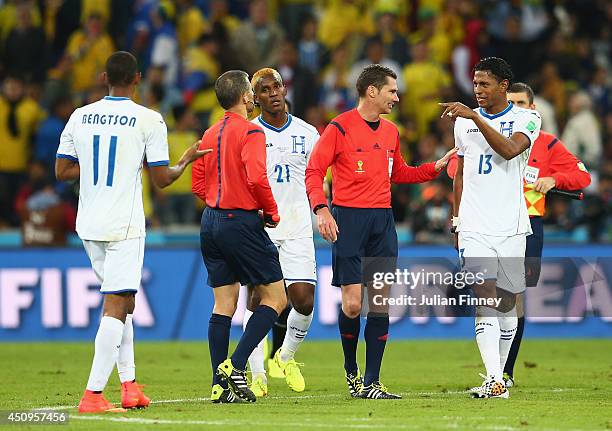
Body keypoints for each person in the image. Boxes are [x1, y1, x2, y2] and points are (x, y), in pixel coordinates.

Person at [55, 51, 208, 413]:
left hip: (88, 224)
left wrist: (91, 170)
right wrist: (185, 161)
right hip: (123, 225)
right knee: (117, 303)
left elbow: (61, 171)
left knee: (124, 302)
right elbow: (161, 179)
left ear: (104, 76)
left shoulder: (80, 116)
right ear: (138, 78)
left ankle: (129, 385)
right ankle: (93, 394)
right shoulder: (149, 119)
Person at [305, 64, 455, 399]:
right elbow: (314, 171)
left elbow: (398, 172)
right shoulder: (339, 128)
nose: (397, 98)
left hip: (382, 222)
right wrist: (322, 208)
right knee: (354, 305)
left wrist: (435, 168)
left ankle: (373, 381)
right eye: (391, 91)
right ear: (371, 91)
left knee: (381, 303)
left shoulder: (391, 132)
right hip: (348, 220)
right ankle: (351, 371)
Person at [443, 57, 542, 399]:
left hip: (512, 225)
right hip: (474, 225)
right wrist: (457, 220)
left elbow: (510, 150)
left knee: (506, 304)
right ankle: (495, 379)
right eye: (475, 84)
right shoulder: (463, 124)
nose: (478, 91)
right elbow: (459, 174)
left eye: (485, 84)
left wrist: (475, 117)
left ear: (503, 85)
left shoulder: (527, 118)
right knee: (483, 299)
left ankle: (498, 377)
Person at [191, 70, 287, 403]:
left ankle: (219, 384)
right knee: (276, 298)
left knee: (223, 304)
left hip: (211, 222)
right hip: (240, 222)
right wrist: (271, 212)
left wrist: (217, 203)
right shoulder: (250, 132)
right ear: (246, 96)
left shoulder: (208, 134)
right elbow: (258, 177)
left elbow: (197, 184)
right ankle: (236, 365)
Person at [503, 83, 591, 386]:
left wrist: (554, 179)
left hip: (529, 224)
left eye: (520, 103)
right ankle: (496, 368)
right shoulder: (490, 138)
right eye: (510, 103)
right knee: (493, 297)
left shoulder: (547, 143)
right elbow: (456, 172)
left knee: (514, 297)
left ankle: (505, 371)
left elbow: (582, 176)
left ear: (532, 109)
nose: (515, 108)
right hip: (494, 223)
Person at [241, 68, 319, 397]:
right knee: (259, 301)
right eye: (265, 89)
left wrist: (322, 209)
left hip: (298, 226)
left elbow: (317, 177)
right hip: (262, 230)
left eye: (277, 86)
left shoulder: (308, 132)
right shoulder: (248, 133)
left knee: (303, 301)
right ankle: (257, 374)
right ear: (255, 98)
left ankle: (284, 358)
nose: (274, 93)